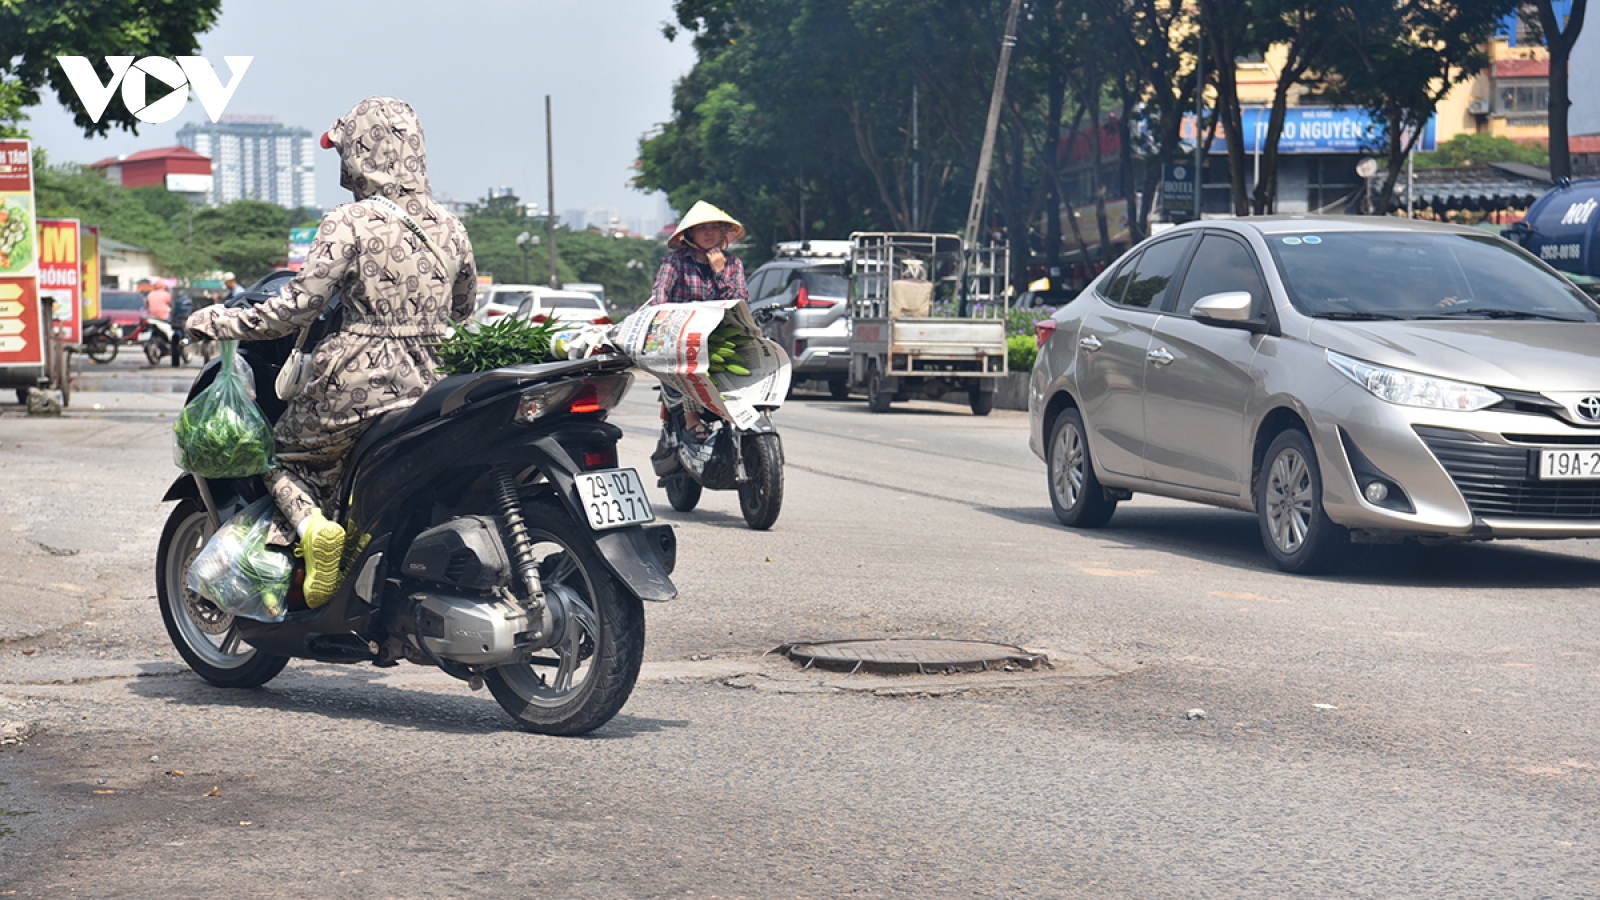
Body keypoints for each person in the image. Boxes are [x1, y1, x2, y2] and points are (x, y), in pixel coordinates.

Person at [186, 97, 478, 607]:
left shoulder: (349, 221)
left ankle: (314, 531)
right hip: (435, 388)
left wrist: (218, 320)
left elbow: (295, 309)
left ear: (362, 151)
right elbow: (464, 308)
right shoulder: (452, 226)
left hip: (356, 381)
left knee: (276, 453)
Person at [648, 200, 747, 439]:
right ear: (690, 233)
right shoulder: (675, 262)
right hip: (682, 335)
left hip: (720, 334)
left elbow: (740, 301)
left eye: (714, 227)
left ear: (722, 232)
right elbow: (660, 295)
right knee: (690, 366)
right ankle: (692, 420)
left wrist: (720, 272)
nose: (709, 232)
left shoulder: (732, 264)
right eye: (703, 228)